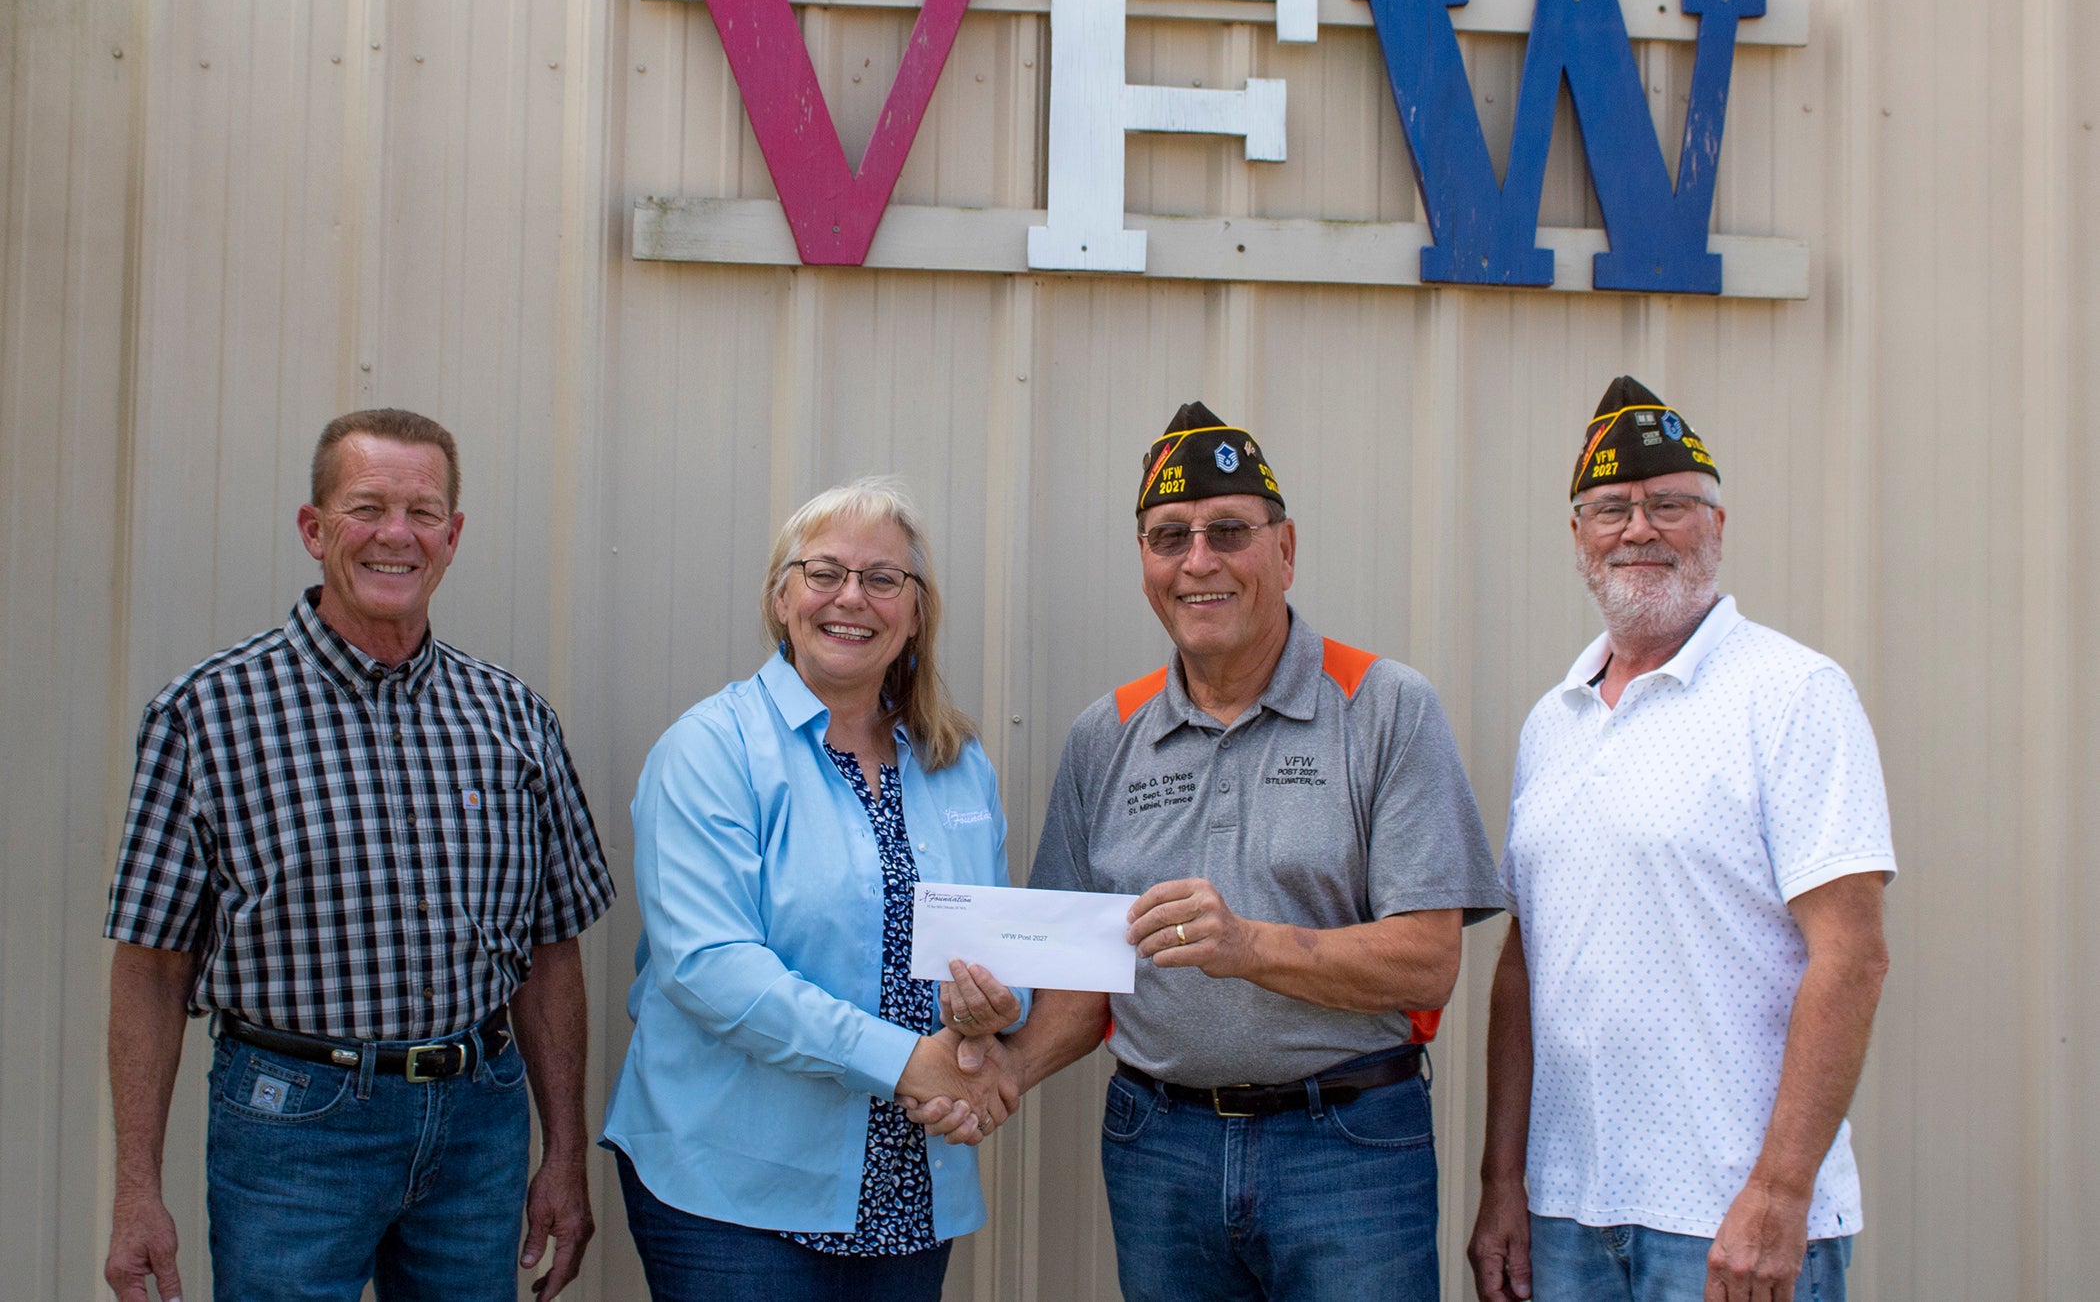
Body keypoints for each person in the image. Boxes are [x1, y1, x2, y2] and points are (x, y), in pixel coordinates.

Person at [924, 401, 1505, 1302]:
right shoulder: (1105, 733)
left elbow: (1428, 964)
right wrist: (1001, 1071)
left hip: (1347, 1145)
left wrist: (1250, 947)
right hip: (1160, 1146)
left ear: (1286, 549)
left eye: (1229, 531)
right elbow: (1083, 976)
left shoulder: (1385, 706)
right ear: (1147, 565)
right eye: (1169, 538)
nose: (1199, 561)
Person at [102, 408, 616, 1302]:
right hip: (294, 1125)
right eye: (366, 507)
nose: (395, 535)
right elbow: (150, 968)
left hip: (478, 1124)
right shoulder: (207, 716)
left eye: (422, 513)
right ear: (314, 529)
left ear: (452, 538)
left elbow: (550, 955)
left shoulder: (514, 720)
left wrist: (564, 1157)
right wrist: (138, 1191)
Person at [1467, 376, 1895, 1302]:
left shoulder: (1791, 693)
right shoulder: (1555, 721)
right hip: (1568, 1214)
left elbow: (1851, 957)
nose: (1640, 529)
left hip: (1729, 1223)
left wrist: (1780, 1192)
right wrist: (1505, 1183)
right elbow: (1523, 964)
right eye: (1611, 508)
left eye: (1671, 505)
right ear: (1578, 535)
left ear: (1717, 523)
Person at [601, 477, 1025, 1302]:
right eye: (824, 571)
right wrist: (911, 1062)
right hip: (734, 1193)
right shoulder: (712, 749)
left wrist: (994, 1020)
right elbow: (711, 967)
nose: (850, 599)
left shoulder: (955, 762)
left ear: (915, 611)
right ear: (781, 595)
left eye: (882, 579)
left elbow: (1001, 942)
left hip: (910, 1182)